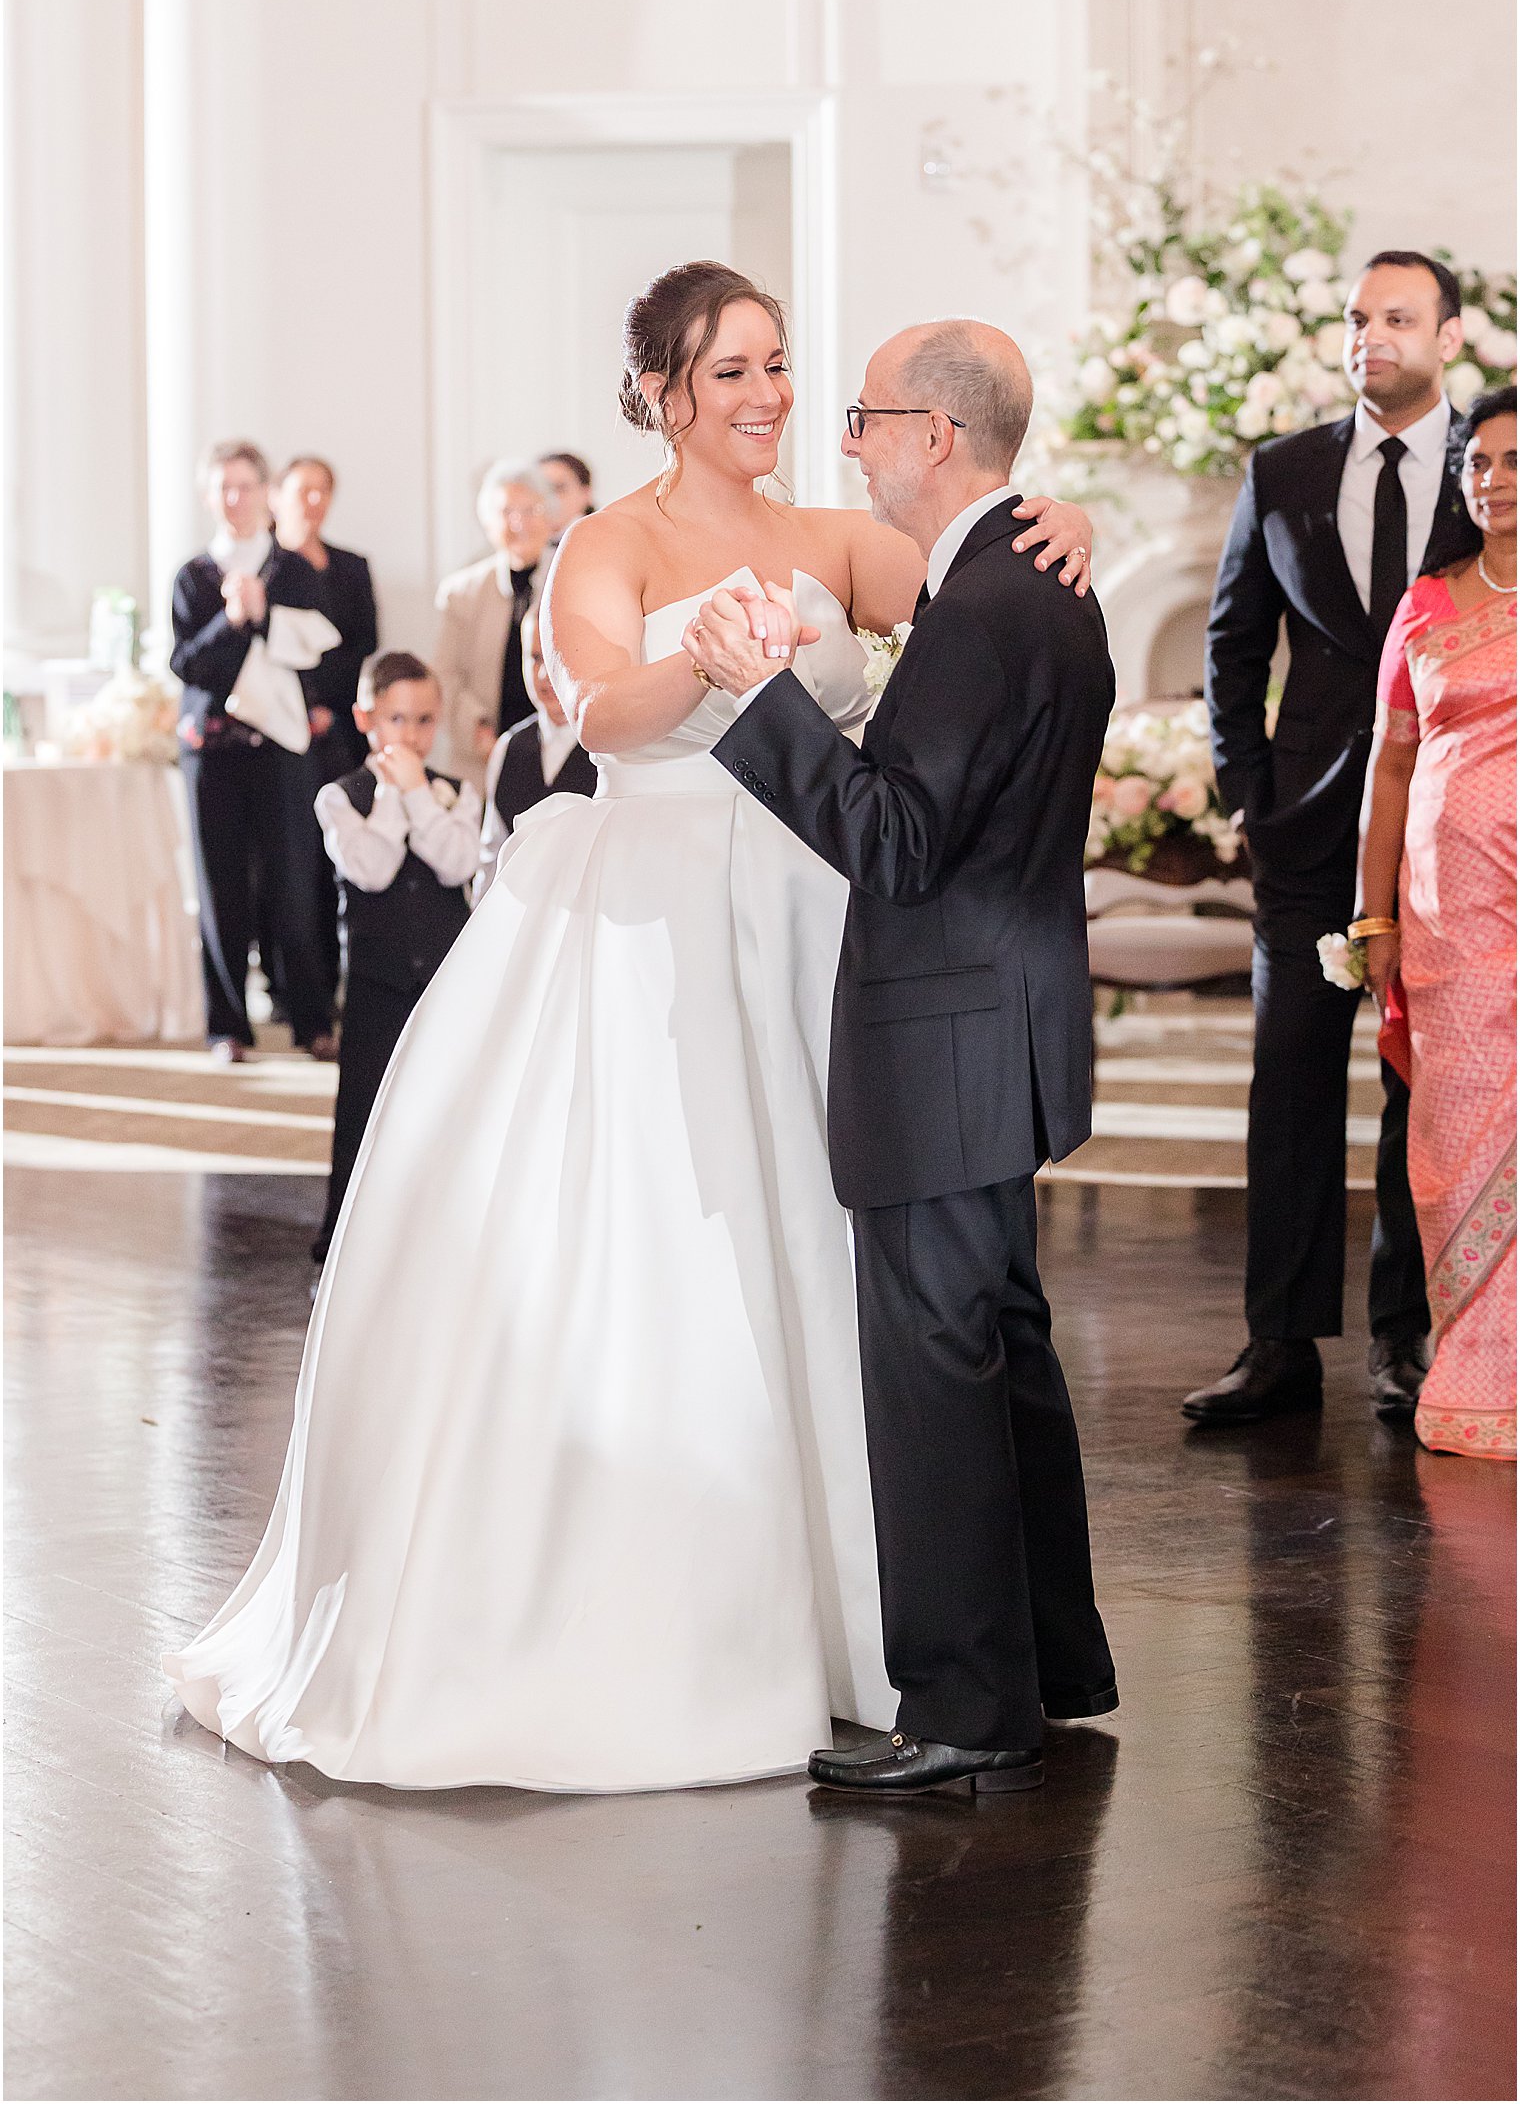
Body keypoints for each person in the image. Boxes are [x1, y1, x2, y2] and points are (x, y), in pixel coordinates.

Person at [163, 260, 1094, 1794]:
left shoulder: (831, 535)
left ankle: (905, 1634)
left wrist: (1072, 521)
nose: (771, 398)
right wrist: (710, 662)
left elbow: (979, 580)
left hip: (816, 913)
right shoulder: (610, 539)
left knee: (857, 1260)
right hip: (651, 901)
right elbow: (592, 712)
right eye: (734, 371)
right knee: (675, 1238)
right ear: (662, 390)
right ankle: (690, 1617)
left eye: (783, 368)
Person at [685, 319, 1117, 1795]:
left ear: (937, 435)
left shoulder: (990, 602)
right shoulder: (1036, 582)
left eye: (866, 414)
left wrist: (761, 699)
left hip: (944, 1030)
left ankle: (965, 1708)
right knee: (1004, 1353)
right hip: (1004, 1017)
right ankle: (1050, 1666)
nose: (845, 435)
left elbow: (896, 836)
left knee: (936, 1369)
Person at [1191, 251, 1474, 1425]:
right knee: (1290, 1083)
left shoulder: (1492, 467)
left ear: (1448, 338)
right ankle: (1278, 1343)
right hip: (1306, 832)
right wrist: (1246, 791)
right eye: (1357, 319)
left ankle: (1407, 1339)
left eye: (1397, 319)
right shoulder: (1283, 468)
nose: (1371, 337)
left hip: (1449, 841)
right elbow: (1230, 642)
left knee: (1424, 1089)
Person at [1356, 385, 1516, 1461]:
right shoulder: (1423, 606)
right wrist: (1373, 920)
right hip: (1448, 923)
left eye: (1513, 461)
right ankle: (1473, 1379)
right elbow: (1391, 766)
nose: (1494, 480)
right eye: (1480, 464)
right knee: (1453, 1149)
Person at [310, 653, 480, 1271]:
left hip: (443, 979)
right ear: (365, 718)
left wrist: (419, 797)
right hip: (376, 983)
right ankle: (350, 1239)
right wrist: (393, 796)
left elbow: (458, 863)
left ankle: (445, 1233)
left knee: (444, 1099)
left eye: (423, 720)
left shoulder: (458, 793)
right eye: (396, 719)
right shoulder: (339, 798)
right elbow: (372, 869)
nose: (409, 736)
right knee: (366, 1106)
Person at [169, 439, 337, 1065]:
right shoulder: (193, 575)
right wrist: (234, 622)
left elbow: (321, 647)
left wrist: (265, 617)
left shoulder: (293, 569)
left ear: (266, 492)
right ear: (208, 497)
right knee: (220, 890)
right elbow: (189, 665)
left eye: (244, 485)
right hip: (211, 752)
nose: (234, 498)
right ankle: (227, 1028)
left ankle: (313, 1020)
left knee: (296, 885)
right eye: (222, 487)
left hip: (281, 749)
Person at [273, 455, 380, 1002]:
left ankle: (339, 986)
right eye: (303, 490)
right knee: (290, 867)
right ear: (280, 496)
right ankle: (292, 990)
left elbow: (363, 648)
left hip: (340, 729)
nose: (313, 501)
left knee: (338, 854)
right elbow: (269, 651)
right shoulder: (269, 564)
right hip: (282, 734)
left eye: (323, 491)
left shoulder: (352, 566)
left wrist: (331, 708)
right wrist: (301, 703)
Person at [432, 462, 553, 794]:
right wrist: (480, 734)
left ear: (550, 517)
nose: (519, 522)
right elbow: (446, 674)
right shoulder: (461, 591)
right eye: (507, 511)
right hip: (481, 756)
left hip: (558, 748)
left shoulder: (572, 577)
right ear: (487, 522)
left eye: (531, 510)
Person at [474, 597, 596, 905]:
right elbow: (493, 851)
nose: (544, 674)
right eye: (535, 658)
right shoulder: (508, 747)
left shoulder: (609, 748)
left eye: (557, 656)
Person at [539, 450, 596, 539]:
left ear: (586, 493)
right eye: (541, 490)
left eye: (559, 488)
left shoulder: (603, 538)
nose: (549, 498)